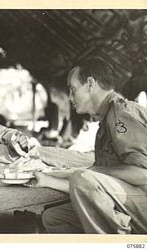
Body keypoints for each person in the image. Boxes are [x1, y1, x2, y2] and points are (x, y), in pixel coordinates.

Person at [30, 57, 147, 234]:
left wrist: (90, 172)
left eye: (73, 89)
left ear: (90, 84)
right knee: (54, 218)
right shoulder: (105, 121)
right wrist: (47, 180)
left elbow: (143, 174)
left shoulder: (121, 113)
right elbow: (92, 184)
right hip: (131, 199)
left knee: (83, 177)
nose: (70, 97)